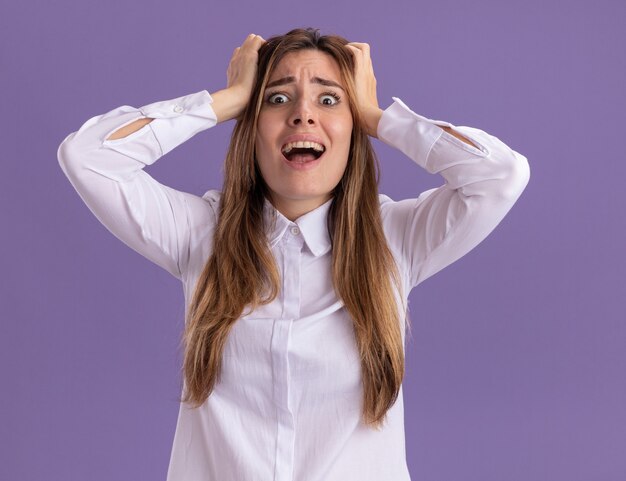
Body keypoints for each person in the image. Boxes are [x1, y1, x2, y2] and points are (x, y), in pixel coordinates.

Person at [57, 27, 530, 481]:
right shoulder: (201, 233)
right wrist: (224, 102)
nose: (304, 115)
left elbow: (500, 176)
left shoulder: (395, 238)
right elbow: (87, 157)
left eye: (329, 100)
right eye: (277, 99)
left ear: (352, 130)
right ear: (252, 128)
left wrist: (378, 117)